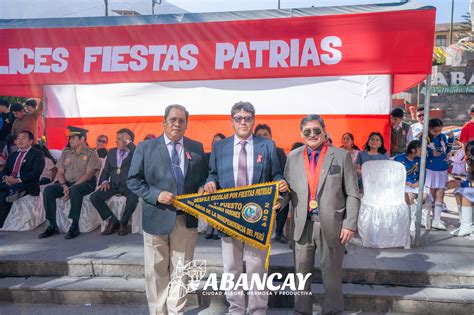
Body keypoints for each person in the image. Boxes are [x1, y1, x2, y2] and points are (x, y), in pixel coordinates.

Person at [204, 101, 287, 315]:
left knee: (257, 267)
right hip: (229, 215)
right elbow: (212, 173)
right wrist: (210, 182)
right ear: (232, 121)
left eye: (247, 118)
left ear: (253, 120)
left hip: (257, 216)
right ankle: (236, 309)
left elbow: (275, 174)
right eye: (239, 118)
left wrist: (280, 182)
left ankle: (258, 309)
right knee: (231, 268)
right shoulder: (219, 147)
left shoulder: (267, 145)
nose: (243, 122)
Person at [127, 104, 208, 314]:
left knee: (182, 271)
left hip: (186, 219)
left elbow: (204, 178)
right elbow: (133, 181)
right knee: (156, 271)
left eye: (181, 120)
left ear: (187, 124)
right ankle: (158, 312)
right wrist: (156, 195)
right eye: (173, 119)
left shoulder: (197, 148)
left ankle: (176, 311)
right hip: (156, 217)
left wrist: (202, 187)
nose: (177, 124)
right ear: (164, 122)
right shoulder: (146, 148)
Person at [275, 114, 360, 314]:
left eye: (316, 130)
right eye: (307, 131)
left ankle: (332, 311)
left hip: (333, 225)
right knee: (301, 276)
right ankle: (302, 310)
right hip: (302, 225)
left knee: (332, 276)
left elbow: (353, 194)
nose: (312, 134)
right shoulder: (293, 157)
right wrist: (277, 202)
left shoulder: (340, 155)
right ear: (301, 134)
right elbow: (287, 193)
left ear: (324, 131)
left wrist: (349, 224)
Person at [39, 126, 101, 239]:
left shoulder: (92, 153)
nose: (70, 140)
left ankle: (74, 225)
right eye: (69, 138)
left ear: (82, 139)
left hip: (85, 183)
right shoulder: (66, 152)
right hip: (66, 183)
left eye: (73, 138)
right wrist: (63, 185)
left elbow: (88, 174)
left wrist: (71, 187)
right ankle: (52, 225)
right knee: (49, 190)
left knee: (75, 190)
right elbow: (60, 171)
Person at [90, 128, 138, 236]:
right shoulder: (111, 152)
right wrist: (104, 181)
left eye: (119, 139)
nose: (116, 141)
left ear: (127, 140)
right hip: (113, 185)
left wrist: (129, 143)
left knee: (133, 199)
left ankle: (123, 224)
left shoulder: (134, 152)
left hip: (129, 186)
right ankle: (112, 220)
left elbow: (140, 155)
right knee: (94, 197)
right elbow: (106, 171)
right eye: (117, 138)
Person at [0, 131, 45, 228]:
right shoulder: (12, 155)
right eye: (18, 138)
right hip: (10, 181)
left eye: (23, 138)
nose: (20, 140)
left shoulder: (37, 154)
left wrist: (18, 180)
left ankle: (1, 223)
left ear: (31, 141)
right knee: (4, 190)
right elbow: (4, 171)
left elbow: (36, 172)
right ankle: (13, 190)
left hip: (26, 183)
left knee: (3, 196)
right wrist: (6, 177)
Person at [254, 123, 289, 243]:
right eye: (259, 135)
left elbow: (284, 169)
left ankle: (279, 232)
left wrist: (281, 184)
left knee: (284, 198)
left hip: (276, 187)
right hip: (258, 190)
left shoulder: (278, 151)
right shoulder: (250, 151)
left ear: (271, 137)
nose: (262, 137)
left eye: (265, 135)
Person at [418, 118, 454, 230]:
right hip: (430, 168)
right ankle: (425, 218)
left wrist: (451, 140)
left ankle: (436, 220)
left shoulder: (443, 137)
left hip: (442, 168)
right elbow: (419, 150)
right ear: (429, 129)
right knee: (430, 194)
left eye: (439, 130)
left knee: (440, 193)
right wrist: (430, 152)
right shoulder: (423, 137)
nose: (438, 133)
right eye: (435, 131)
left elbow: (447, 150)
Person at [393, 140, 430, 231]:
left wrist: (418, 182)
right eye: (421, 149)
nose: (423, 152)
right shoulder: (399, 158)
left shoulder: (420, 160)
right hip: (403, 184)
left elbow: (423, 175)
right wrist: (405, 182)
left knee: (424, 196)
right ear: (413, 150)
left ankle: (419, 216)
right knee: (410, 196)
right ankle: (411, 220)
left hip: (416, 184)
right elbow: (394, 174)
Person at [448, 140, 474, 237]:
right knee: (458, 192)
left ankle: (468, 225)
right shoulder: (470, 162)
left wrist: (463, 184)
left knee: (465, 194)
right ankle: (465, 224)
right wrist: (461, 183)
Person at [204, 132, 226, 240]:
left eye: (218, 141)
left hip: (221, 186)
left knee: (218, 208)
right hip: (208, 185)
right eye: (214, 141)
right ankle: (210, 227)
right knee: (209, 207)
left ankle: (217, 229)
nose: (215, 143)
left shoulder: (226, 156)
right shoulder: (207, 155)